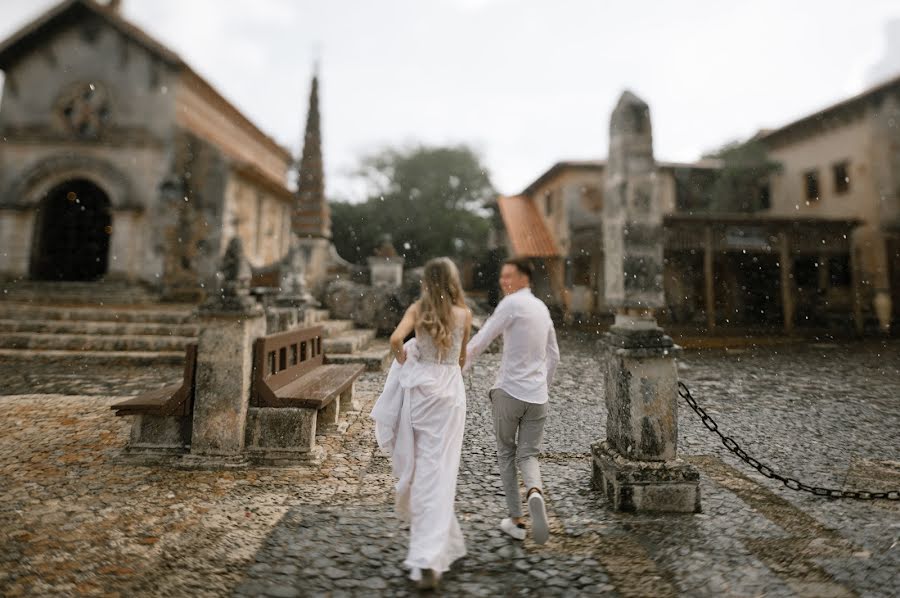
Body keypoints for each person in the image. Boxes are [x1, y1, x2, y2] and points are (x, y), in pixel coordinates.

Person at [371, 257, 472, 590]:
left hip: (421, 395)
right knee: (441, 469)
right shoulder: (465, 315)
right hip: (449, 394)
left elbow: (395, 341)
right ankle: (432, 553)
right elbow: (461, 359)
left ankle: (429, 553)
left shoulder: (417, 309)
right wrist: (445, 363)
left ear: (427, 281)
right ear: (454, 280)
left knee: (425, 467)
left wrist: (406, 360)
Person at [463, 257, 559, 545]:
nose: (504, 281)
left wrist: (456, 371)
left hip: (509, 392)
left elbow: (482, 340)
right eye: (502, 276)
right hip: (537, 397)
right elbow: (554, 355)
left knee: (506, 452)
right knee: (528, 455)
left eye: (510, 276)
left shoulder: (511, 304)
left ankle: (516, 520)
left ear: (524, 278)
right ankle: (535, 492)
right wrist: (544, 386)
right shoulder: (542, 308)